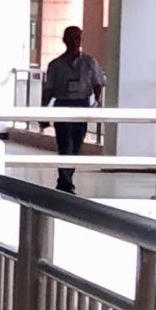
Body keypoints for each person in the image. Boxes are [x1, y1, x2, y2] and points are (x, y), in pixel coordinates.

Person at [41, 26, 106, 193]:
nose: (75, 41)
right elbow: (49, 89)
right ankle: (65, 182)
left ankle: (65, 179)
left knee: (76, 146)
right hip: (62, 106)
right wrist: (43, 112)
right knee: (65, 145)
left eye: (78, 38)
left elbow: (97, 83)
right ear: (64, 40)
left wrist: (98, 101)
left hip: (81, 106)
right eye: (71, 38)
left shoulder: (90, 62)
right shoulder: (55, 65)